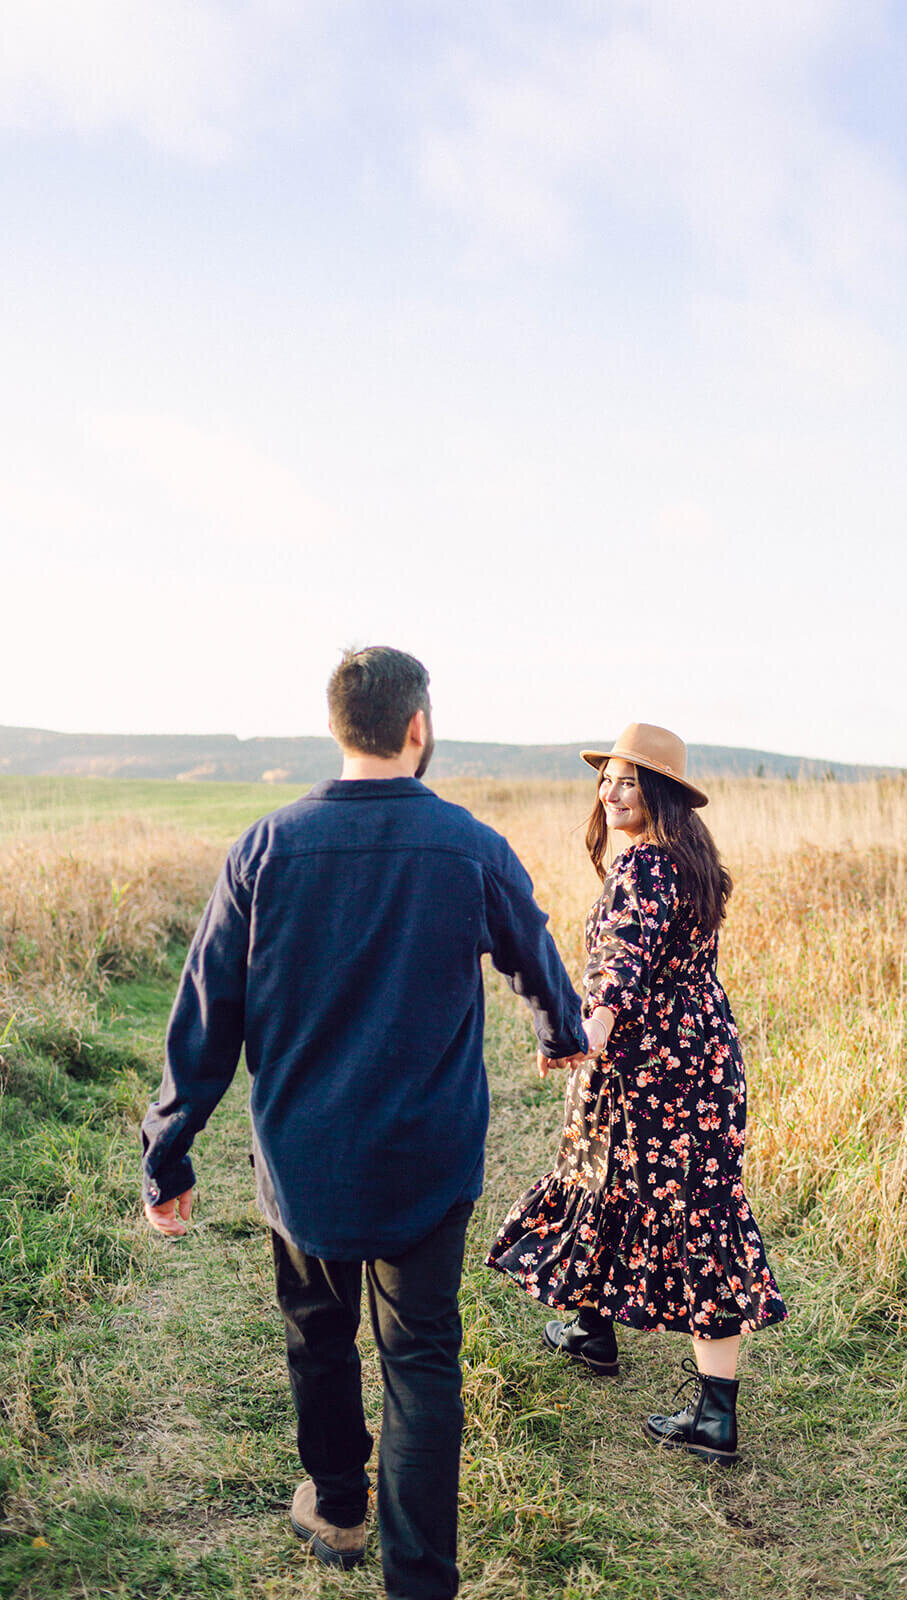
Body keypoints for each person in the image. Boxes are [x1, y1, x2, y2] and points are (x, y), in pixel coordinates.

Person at [140, 646, 590, 1600]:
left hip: (305, 1162)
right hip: (426, 1159)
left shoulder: (264, 848)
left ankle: (339, 1505)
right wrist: (560, 1027)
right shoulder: (468, 845)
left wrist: (168, 1154)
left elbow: (205, 1016)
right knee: (421, 1361)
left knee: (315, 1330)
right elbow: (534, 946)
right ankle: (419, 1582)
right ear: (417, 728)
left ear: (338, 727)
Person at [487, 723, 787, 1464]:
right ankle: (592, 1333)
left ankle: (715, 1418)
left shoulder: (645, 868)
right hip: (697, 1050)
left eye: (627, 780)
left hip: (648, 1061)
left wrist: (589, 1028)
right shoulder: (689, 862)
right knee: (616, 1185)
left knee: (686, 1211)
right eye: (605, 778)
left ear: (658, 792)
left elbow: (623, 959)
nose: (609, 791)